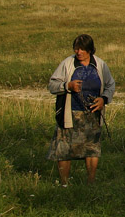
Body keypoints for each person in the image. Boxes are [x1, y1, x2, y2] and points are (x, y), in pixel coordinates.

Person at [47, 34, 115, 185]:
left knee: (92, 149)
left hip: (92, 116)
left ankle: (90, 183)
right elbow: (51, 85)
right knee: (64, 150)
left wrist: (103, 99)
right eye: (76, 48)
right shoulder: (67, 64)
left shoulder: (100, 65)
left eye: (82, 49)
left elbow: (111, 85)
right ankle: (64, 184)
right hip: (69, 115)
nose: (78, 52)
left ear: (90, 50)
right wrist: (67, 86)